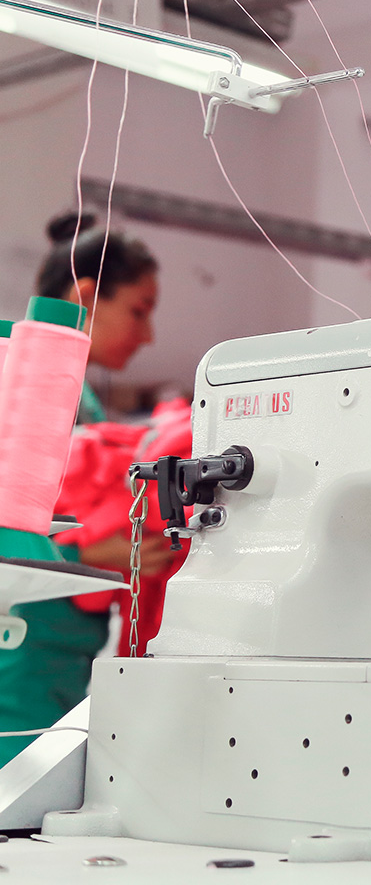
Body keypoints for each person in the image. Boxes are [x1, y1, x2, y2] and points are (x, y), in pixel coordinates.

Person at [0, 214, 165, 765]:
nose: (148, 335)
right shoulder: (18, 388)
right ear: (86, 295)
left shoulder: (81, 406)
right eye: (138, 311)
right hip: (17, 650)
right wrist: (86, 553)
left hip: (58, 658)